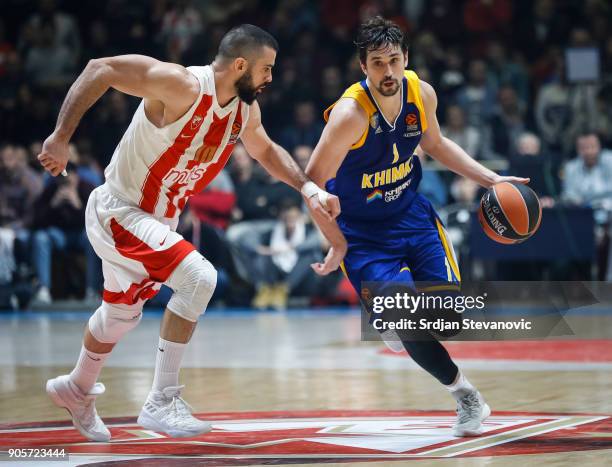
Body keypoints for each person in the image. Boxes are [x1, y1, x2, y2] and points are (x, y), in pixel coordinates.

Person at [37, 24, 339, 442]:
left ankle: (76, 388)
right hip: (120, 210)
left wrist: (307, 187)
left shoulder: (244, 110)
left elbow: (266, 150)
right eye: (266, 68)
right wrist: (60, 137)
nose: (271, 77)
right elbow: (100, 68)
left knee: (120, 317)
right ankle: (162, 400)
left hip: (157, 221)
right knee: (200, 277)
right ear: (240, 65)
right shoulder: (180, 85)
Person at [305, 17, 528, 437]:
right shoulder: (350, 115)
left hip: (412, 217)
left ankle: (390, 316)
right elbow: (312, 182)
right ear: (363, 67)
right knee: (409, 322)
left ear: (406, 59)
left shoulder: (420, 93)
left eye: (393, 61)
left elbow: (436, 144)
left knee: (446, 317)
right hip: (364, 234)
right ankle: (465, 394)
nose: (387, 72)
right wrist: (334, 242)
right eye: (377, 63)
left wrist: (492, 180)